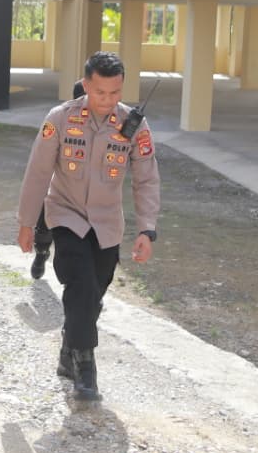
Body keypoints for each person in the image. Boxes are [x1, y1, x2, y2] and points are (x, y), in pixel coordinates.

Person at [16, 53, 159, 402]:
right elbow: (38, 172)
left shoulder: (133, 125)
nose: (107, 100)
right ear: (86, 85)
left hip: (107, 224)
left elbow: (146, 179)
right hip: (67, 216)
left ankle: (69, 347)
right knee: (79, 284)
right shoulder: (60, 119)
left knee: (93, 295)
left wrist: (146, 229)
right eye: (100, 92)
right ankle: (86, 369)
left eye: (115, 93)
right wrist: (26, 222)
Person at [30, 78, 86, 279]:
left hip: (88, 187)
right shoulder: (60, 118)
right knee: (45, 220)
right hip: (59, 182)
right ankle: (41, 253)